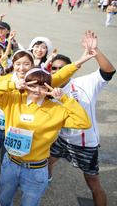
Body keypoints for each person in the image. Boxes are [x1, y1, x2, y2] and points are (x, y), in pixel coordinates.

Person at [0, 45, 94, 205]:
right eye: (32, 85)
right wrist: (13, 86)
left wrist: (65, 99)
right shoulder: (13, 99)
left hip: (36, 168)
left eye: (43, 87)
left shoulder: (56, 109)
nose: (37, 90)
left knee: (30, 202)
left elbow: (84, 122)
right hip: (11, 163)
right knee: (4, 198)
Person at [48, 31, 115, 206]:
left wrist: (95, 51)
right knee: (47, 161)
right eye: (54, 68)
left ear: (71, 69)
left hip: (85, 144)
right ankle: (45, 180)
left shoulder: (85, 83)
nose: (57, 71)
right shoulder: (48, 88)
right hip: (61, 139)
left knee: (93, 183)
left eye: (62, 67)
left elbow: (108, 71)